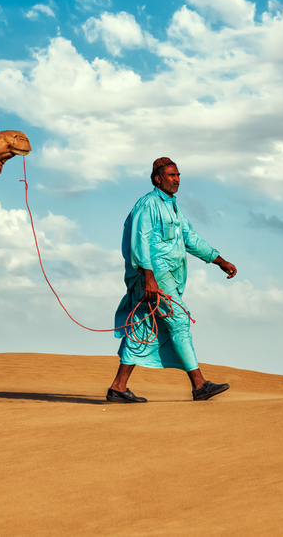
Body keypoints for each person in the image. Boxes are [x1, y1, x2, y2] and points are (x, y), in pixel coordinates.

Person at [106, 157, 238, 403]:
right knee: (179, 321)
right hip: (155, 278)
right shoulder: (147, 205)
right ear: (158, 178)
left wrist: (219, 261)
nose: (177, 180)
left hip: (168, 278)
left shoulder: (173, 207)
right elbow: (140, 242)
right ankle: (199, 385)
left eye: (178, 175)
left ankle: (118, 387)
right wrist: (148, 277)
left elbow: (191, 238)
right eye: (171, 175)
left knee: (141, 329)